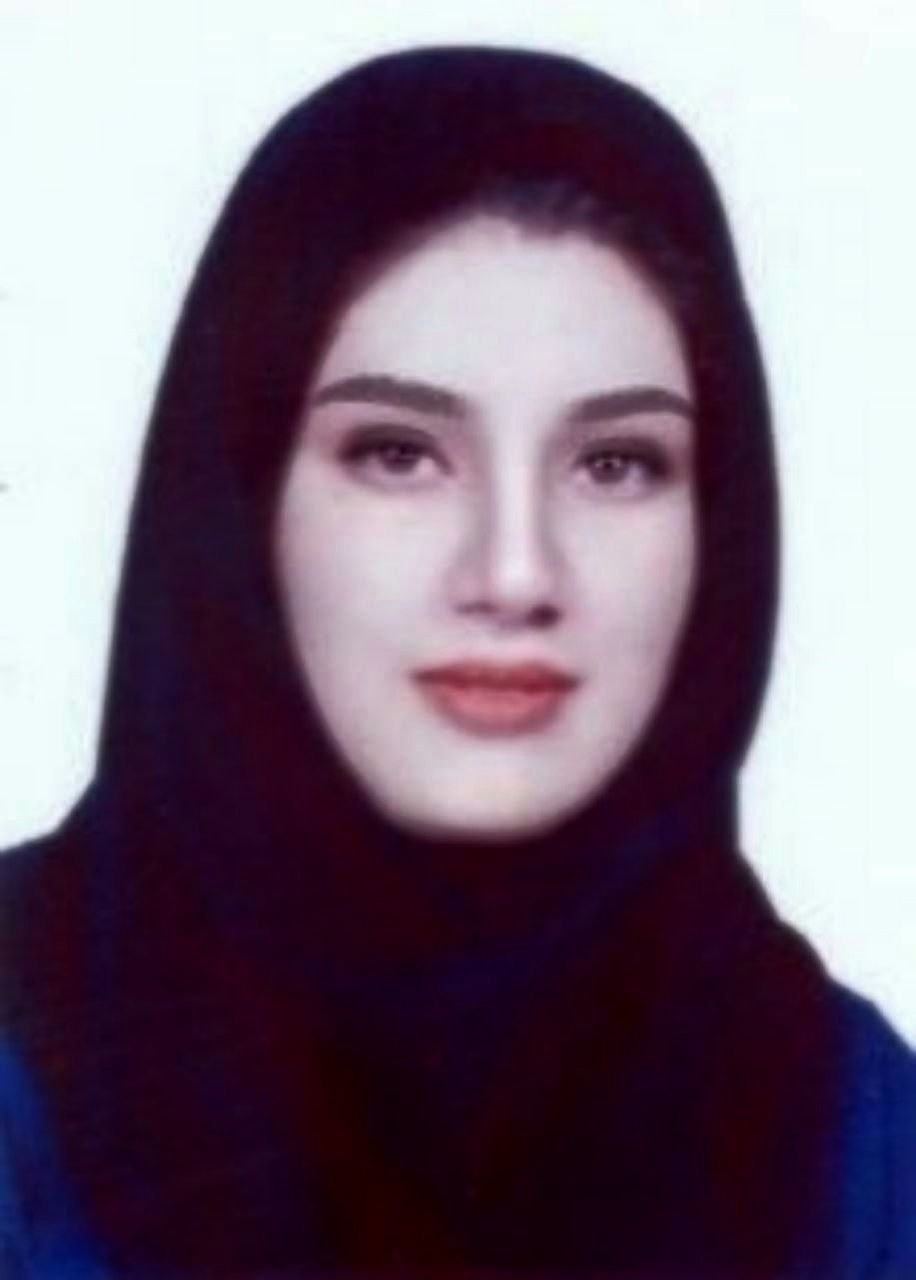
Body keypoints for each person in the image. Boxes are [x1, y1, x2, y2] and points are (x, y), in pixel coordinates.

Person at [1, 44, 914, 1278]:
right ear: (240, 501)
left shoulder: (856, 1135)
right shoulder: (25, 1069)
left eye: (615, 463)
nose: (516, 570)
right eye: (398, 453)